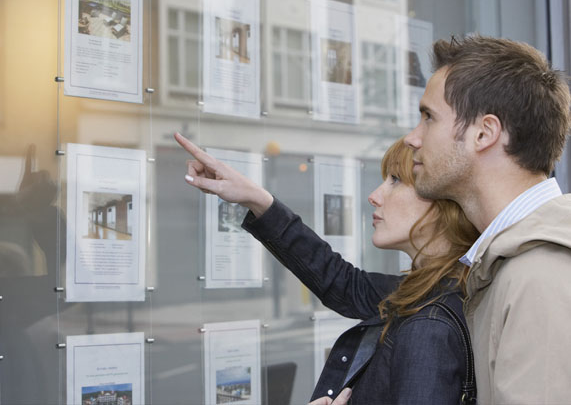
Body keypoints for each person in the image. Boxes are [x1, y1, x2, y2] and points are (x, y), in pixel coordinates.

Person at [174, 133, 479, 404]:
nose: (375, 196)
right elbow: (341, 282)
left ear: (443, 203)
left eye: (395, 180)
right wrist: (256, 198)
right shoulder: (428, 292)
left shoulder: (429, 323)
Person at [404, 35, 571, 404]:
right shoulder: (516, 261)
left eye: (428, 117)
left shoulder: (537, 276)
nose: (412, 138)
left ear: (484, 133)